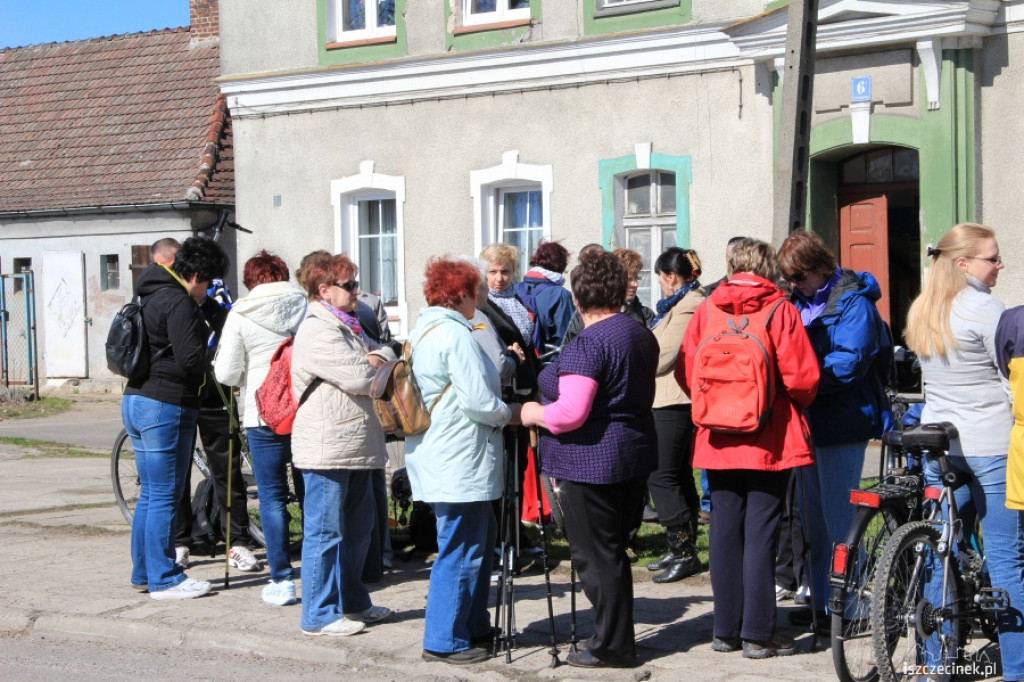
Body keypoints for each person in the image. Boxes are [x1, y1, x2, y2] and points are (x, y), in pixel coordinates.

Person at [676, 238, 819, 659]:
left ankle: (725, 629)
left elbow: (689, 370)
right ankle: (758, 633)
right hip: (768, 436)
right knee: (762, 532)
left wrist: (716, 404)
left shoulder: (706, 308)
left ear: (731, 265)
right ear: (768, 266)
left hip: (717, 435)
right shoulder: (779, 310)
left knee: (723, 530)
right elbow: (803, 379)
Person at [521, 249, 659, 668]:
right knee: (612, 552)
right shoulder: (639, 333)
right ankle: (617, 637)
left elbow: (569, 414)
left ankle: (612, 646)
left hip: (590, 461)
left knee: (596, 557)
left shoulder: (588, 343)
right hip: (631, 454)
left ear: (579, 299)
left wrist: (531, 413)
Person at [908, 223, 1024, 681]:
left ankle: (937, 662)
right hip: (991, 444)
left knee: (940, 552)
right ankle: (1016, 668)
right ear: (963, 263)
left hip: (941, 444)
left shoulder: (924, 307)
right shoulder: (985, 308)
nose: (999, 265)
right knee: (1005, 557)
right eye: (991, 258)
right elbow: (1010, 377)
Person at [404, 257, 519, 665]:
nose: (480, 300)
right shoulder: (456, 335)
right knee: (462, 548)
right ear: (463, 295)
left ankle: (472, 627)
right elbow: (478, 401)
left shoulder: (424, 330)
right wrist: (510, 413)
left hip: (445, 456)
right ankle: (444, 639)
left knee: (476, 541)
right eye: (476, 292)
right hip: (458, 460)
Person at [776, 230, 890, 633]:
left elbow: (850, 361)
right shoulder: (796, 301)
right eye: (789, 278)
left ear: (820, 267)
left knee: (841, 518)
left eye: (799, 276)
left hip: (842, 420)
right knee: (814, 521)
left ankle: (853, 608)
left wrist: (800, 380)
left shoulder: (854, 304)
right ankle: (823, 603)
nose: (794, 284)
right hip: (807, 421)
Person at [291, 253, 395, 637]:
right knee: (325, 531)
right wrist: (374, 361)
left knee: (358, 530)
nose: (357, 291)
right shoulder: (317, 329)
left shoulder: (349, 325)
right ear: (324, 291)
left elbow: (386, 351)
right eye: (349, 285)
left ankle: (352, 601)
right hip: (327, 444)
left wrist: (377, 356)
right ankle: (317, 614)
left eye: (356, 283)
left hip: (356, 442)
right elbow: (360, 377)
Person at [122, 236, 229, 600]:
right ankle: (165, 577)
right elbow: (190, 360)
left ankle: (144, 572)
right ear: (196, 274)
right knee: (165, 494)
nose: (206, 290)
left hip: (138, 400)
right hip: (165, 403)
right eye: (207, 282)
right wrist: (213, 362)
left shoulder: (152, 292)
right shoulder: (178, 302)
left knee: (151, 494)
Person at [214, 250, 308, 606]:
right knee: (309, 492)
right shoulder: (305, 304)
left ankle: (282, 578)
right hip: (303, 410)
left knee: (271, 497)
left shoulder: (241, 312)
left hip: (261, 412)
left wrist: (247, 377)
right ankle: (318, 573)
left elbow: (224, 373)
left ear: (251, 280)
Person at [645, 247, 706, 583]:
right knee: (678, 474)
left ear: (671, 276)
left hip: (673, 402)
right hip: (669, 400)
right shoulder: (680, 303)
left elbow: (661, 357)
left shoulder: (690, 304)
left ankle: (684, 551)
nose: (660, 285)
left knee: (661, 475)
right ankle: (680, 547)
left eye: (660, 278)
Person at [516, 241, 575, 355]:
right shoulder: (560, 294)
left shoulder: (515, 289)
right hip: (547, 364)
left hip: (520, 361)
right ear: (562, 265)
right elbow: (567, 339)